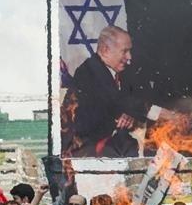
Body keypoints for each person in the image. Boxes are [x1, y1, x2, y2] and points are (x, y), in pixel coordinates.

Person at [67, 25, 180, 157]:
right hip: (85, 149)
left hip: (113, 143)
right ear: (105, 50)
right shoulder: (89, 71)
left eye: (130, 51)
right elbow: (121, 101)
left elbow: (120, 106)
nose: (129, 57)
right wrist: (171, 116)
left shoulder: (120, 73)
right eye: (124, 51)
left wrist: (127, 117)